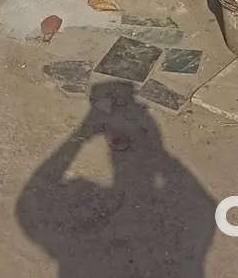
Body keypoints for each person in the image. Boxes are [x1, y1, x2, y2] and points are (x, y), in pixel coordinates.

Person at [17, 79, 215, 276]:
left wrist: (83, 134)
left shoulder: (68, 248)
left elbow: (33, 195)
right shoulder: (167, 234)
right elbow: (203, 207)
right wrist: (160, 156)